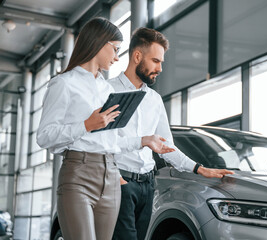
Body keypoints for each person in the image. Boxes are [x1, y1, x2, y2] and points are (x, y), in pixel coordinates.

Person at [36, 19, 174, 240]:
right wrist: (86, 125)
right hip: (78, 173)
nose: (118, 57)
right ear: (99, 43)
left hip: (111, 175)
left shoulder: (105, 88)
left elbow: (112, 142)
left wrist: (144, 140)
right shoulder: (63, 83)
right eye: (115, 49)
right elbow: (44, 137)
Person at [109, 27, 234, 240]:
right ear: (137, 56)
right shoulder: (108, 90)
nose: (159, 68)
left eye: (161, 63)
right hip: (119, 181)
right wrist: (142, 141)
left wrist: (199, 168)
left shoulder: (154, 100)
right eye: (156, 61)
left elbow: (167, 146)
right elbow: (101, 141)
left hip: (147, 186)